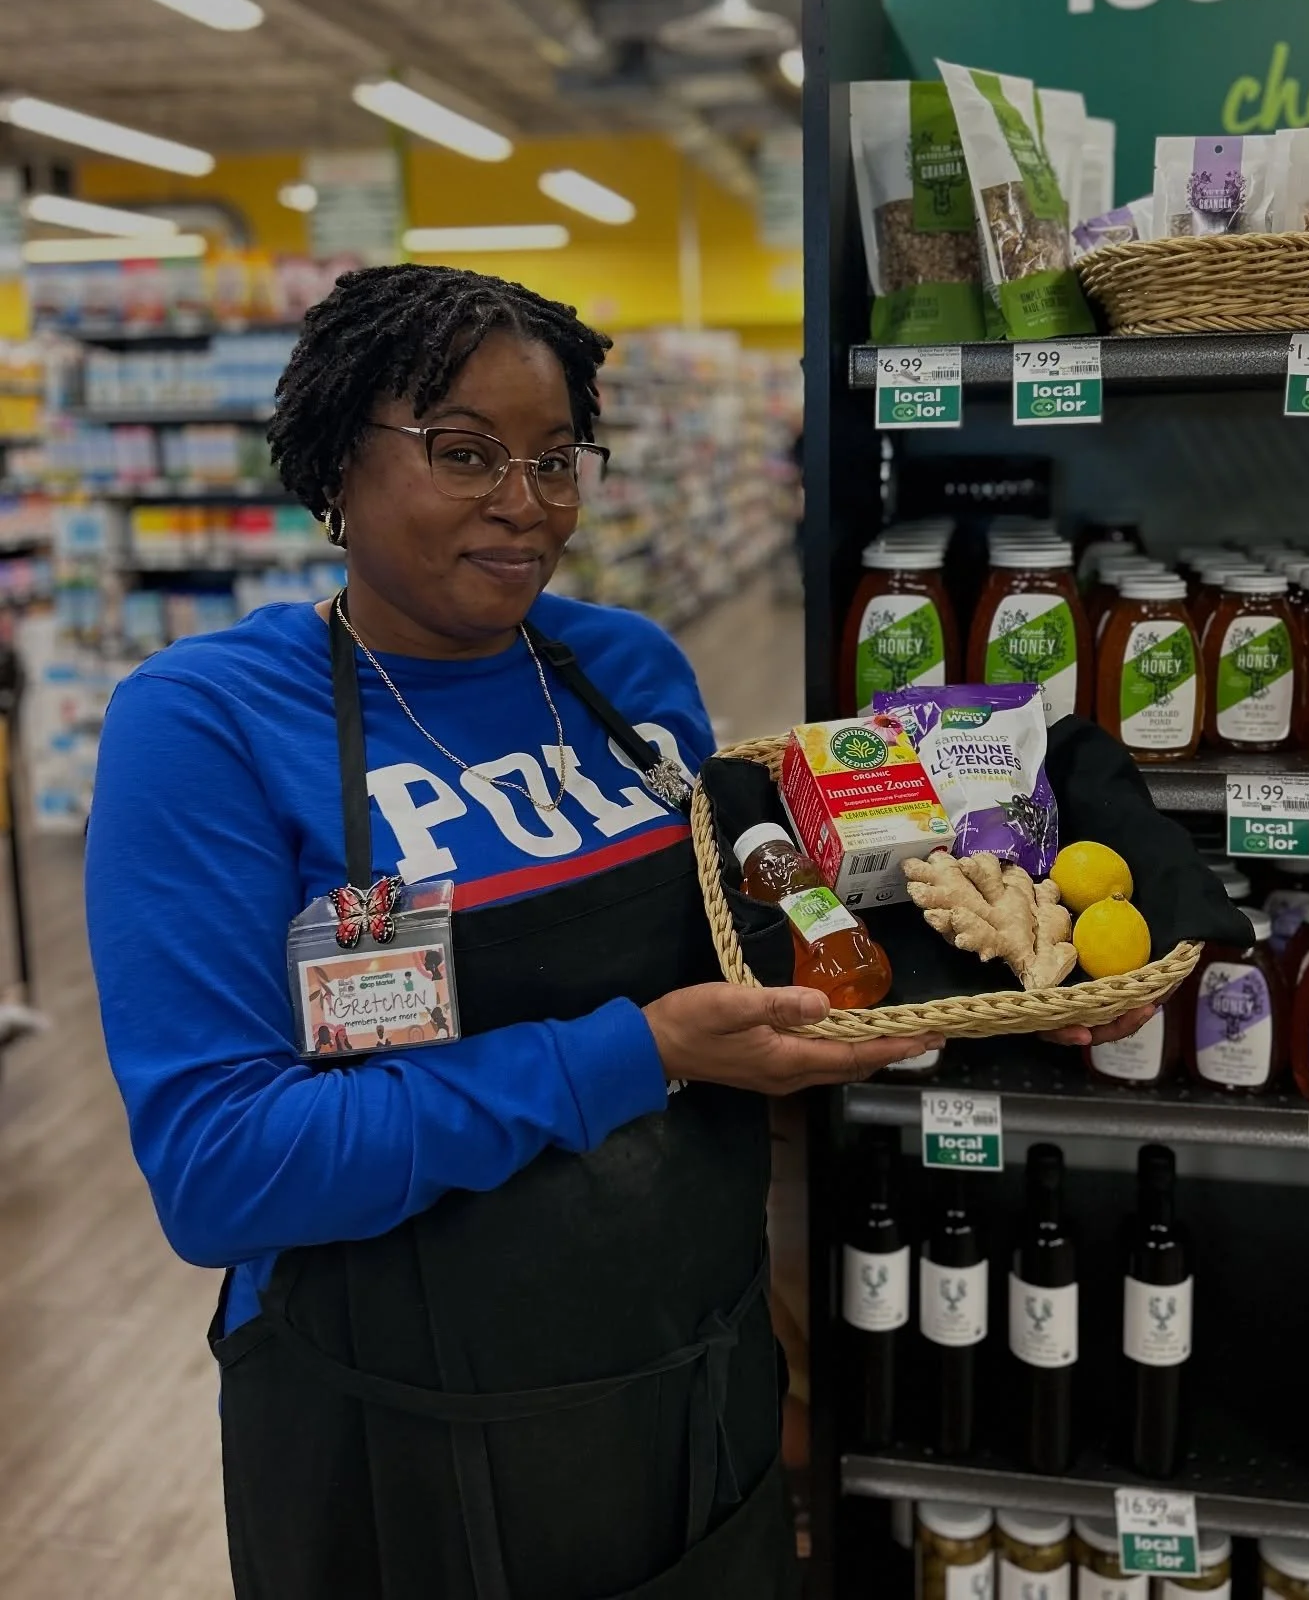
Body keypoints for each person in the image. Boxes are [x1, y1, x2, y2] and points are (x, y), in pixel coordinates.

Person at [86, 265, 1153, 1598]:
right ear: (334, 458)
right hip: (399, 1433)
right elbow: (224, 1167)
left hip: (691, 1379)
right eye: (463, 454)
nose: (525, 507)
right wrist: (641, 1055)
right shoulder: (208, 724)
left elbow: (756, 961)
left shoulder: (627, 672)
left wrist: (987, 989)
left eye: (556, 457)